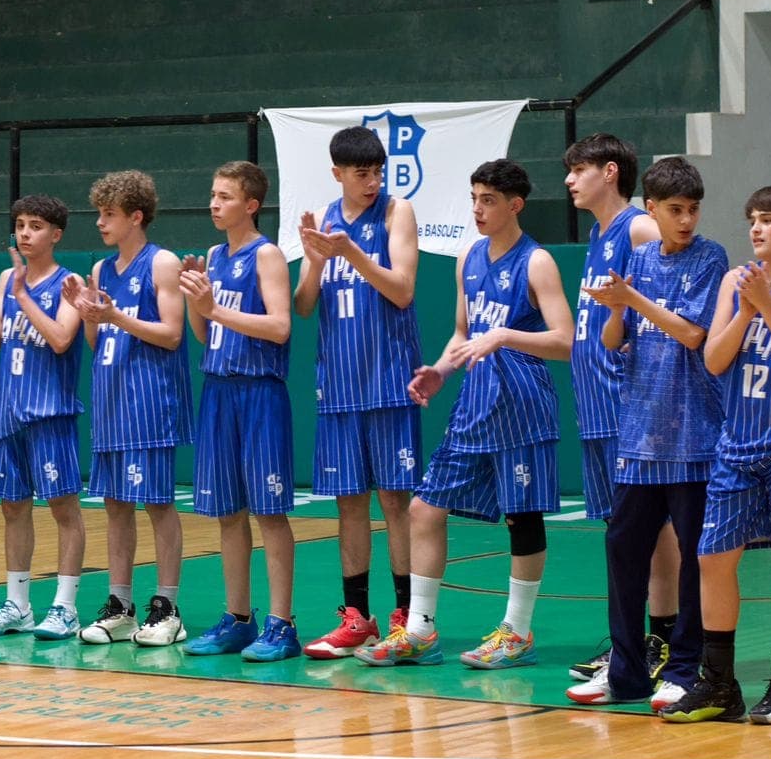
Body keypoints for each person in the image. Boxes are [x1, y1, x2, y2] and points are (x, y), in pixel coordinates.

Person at [357, 160, 573, 669]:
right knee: (423, 510)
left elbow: (565, 340)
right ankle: (420, 630)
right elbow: (462, 331)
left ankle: (517, 632)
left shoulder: (537, 261)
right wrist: (439, 370)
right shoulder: (467, 258)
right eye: (474, 197)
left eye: (489, 200)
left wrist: (506, 335)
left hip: (523, 402)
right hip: (474, 402)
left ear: (514, 205)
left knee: (522, 517)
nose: (477, 209)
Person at [663, 183, 771, 725]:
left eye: (767, 220)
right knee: (712, 557)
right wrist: (745, 310)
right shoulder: (732, 281)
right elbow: (715, 360)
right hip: (738, 442)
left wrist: (768, 305)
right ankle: (719, 684)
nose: (756, 229)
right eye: (752, 220)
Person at [565, 157, 726, 711]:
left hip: (694, 437)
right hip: (638, 433)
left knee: (691, 558)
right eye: (675, 210)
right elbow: (614, 342)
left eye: (693, 210)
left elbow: (692, 334)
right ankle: (627, 671)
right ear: (651, 210)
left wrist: (630, 300)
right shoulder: (637, 258)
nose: (685, 220)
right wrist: (614, 309)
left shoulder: (711, 258)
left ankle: (683, 669)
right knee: (623, 550)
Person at [293, 126, 423, 659]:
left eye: (377, 172)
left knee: (396, 502)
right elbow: (303, 306)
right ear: (337, 174)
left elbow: (402, 289)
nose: (372, 182)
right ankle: (357, 619)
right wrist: (318, 259)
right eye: (361, 173)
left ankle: (406, 618)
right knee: (349, 504)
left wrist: (352, 253)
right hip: (340, 386)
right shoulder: (325, 221)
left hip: (389, 381)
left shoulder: (397, 213)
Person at [562, 133, 675, 683]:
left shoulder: (638, 226)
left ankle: (664, 637)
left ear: (609, 171)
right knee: (625, 533)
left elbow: (667, 300)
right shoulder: (599, 233)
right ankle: (633, 641)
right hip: (597, 404)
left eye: (578, 169)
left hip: (629, 404)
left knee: (652, 533)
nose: (568, 179)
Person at [67, 170, 194, 647]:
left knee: (157, 504)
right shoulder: (101, 271)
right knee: (116, 506)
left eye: (109, 214)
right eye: (99, 213)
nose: (100, 222)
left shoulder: (162, 263)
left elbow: (173, 333)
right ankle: (121, 605)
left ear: (135, 217)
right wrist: (87, 315)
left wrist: (115, 314)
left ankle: (168, 607)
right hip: (111, 400)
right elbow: (97, 339)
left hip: (150, 402)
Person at [179, 162, 298, 662]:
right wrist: (195, 299)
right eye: (212, 194)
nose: (214, 203)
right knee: (228, 512)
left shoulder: (266, 254)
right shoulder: (212, 255)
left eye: (225, 196)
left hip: (259, 393)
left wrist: (213, 306)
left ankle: (282, 625)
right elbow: (205, 333)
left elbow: (279, 327)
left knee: (268, 513)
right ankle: (239, 619)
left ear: (250, 204)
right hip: (219, 390)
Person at [0, 194, 87, 641]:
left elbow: (60, 338)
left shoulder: (69, 282)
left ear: (56, 233)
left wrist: (22, 296)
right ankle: (18, 604)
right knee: (13, 508)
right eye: (20, 225)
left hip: (49, 412)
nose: (25, 233)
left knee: (63, 509)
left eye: (35, 225)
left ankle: (65, 607)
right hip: (9, 411)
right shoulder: (6, 280)